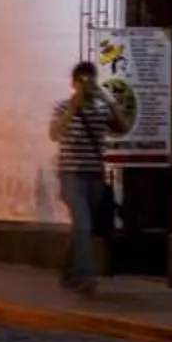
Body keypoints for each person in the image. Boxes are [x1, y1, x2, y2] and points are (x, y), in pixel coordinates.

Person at [48, 61, 118, 294]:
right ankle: (85, 276)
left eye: (90, 81)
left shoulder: (100, 109)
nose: (85, 86)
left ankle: (68, 273)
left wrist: (109, 100)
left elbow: (123, 126)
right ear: (74, 83)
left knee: (82, 226)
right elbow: (54, 134)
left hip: (95, 175)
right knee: (84, 224)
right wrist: (72, 109)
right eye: (81, 82)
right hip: (71, 175)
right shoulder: (62, 107)